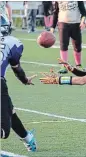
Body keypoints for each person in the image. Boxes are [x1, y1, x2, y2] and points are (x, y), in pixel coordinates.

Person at [1, 15, 37, 152]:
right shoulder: (12, 42)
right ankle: (28, 138)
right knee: (4, 126)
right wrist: (25, 80)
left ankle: (28, 138)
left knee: (9, 113)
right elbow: (17, 68)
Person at [51, 1, 86, 74]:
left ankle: (78, 65)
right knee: (63, 45)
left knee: (77, 46)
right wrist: (52, 27)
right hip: (63, 24)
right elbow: (55, 12)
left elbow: (83, 12)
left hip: (76, 24)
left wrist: (82, 21)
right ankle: (64, 65)